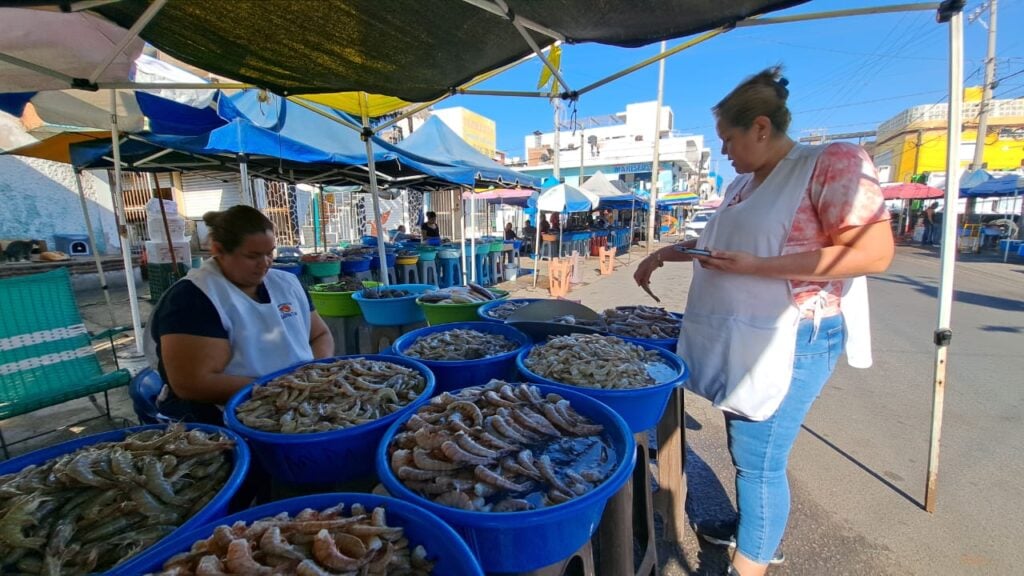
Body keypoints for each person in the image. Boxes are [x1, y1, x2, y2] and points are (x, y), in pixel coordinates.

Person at [633, 67, 893, 576]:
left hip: (791, 336)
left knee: (760, 457)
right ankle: (754, 525)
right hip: (742, 332)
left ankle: (752, 561)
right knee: (743, 441)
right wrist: (666, 253)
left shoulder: (830, 161)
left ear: (759, 127)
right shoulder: (741, 184)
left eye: (728, 139)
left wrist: (760, 268)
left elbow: (874, 253)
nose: (725, 151)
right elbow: (720, 250)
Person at [147, 205, 334, 423]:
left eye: (269, 253)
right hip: (222, 413)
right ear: (217, 250)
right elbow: (192, 383)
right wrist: (283, 389)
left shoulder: (286, 284)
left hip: (297, 399)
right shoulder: (193, 298)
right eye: (252, 256)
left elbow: (320, 335)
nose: (264, 264)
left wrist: (316, 376)